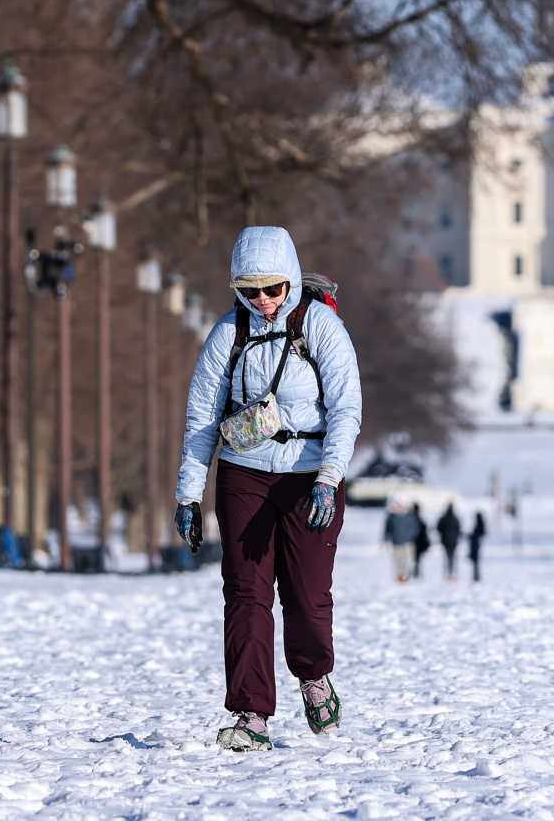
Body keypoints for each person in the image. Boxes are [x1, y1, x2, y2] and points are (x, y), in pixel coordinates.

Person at [175, 227, 361, 753]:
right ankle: (251, 712)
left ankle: (313, 675)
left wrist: (328, 479)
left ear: (290, 280)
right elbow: (201, 418)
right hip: (244, 473)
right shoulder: (228, 334)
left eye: (273, 289)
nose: (263, 301)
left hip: (308, 474)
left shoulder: (320, 325)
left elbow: (347, 407)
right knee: (246, 593)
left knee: (304, 593)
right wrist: (188, 494)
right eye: (251, 291)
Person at [383, 496, 420, 583]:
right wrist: (386, 539)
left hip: (408, 542)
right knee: (398, 560)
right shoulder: (392, 517)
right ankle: (400, 576)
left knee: (407, 560)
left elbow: (415, 528)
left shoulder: (410, 516)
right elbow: (387, 529)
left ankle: (406, 575)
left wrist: (411, 537)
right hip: (396, 542)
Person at [435, 503, 462, 581]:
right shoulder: (455, 518)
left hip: (445, 541)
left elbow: (438, 528)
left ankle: (446, 574)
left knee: (446, 558)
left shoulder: (443, 518)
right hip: (453, 541)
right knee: (453, 558)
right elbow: (459, 530)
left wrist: (443, 535)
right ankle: (452, 573)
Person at [409, 502, 431, 578]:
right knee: (415, 559)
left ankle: (415, 573)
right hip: (417, 543)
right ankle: (415, 573)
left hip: (414, 543)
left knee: (414, 559)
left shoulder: (411, 518)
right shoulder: (417, 519)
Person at [467, 510, 487, 583]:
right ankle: (476, 576)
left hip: (476, 546)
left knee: (476, 562)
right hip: (476, 546)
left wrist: (471, 536)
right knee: (476, 562)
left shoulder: (479, 525)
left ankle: (476, 577)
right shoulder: (480, 525)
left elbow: (477, 536)